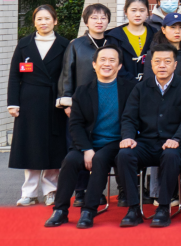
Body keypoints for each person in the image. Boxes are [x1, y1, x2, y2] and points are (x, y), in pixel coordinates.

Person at [45, 45, 137, 227]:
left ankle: (88, 210)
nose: (107, 64)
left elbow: (133, 119)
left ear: (119, 66)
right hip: (88, 143)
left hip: (115, 143)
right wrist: (87, 149)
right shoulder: (82, 91)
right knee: (70, 160)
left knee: (100, 159)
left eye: (112, 60)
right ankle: (60, 210)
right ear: (94, 64)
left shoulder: (131, 89)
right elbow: (75, 124)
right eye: (102, 60)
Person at [116, 44, 181, 228]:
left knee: (171, 156)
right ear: (151, 64)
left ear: (175, 65)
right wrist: (128, 137)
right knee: (124, 154)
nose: (162, 65)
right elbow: (129, 118)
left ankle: (163, 207)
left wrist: (176, 139)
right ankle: (133, 208)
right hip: (146, 143)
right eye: (158, 61)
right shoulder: (140, 88)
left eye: (167, 61)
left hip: (173, 143)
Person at [8, 5, 70, 205]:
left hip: (55, 102)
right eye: (39, 19)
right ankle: (29, 192)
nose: (43, 22)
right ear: (34, 22)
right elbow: (14, 75)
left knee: (53, 146)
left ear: (55, 21)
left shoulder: (64, 44)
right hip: (29, 102)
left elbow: (68, 75)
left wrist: (67, 100)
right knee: (31, 145)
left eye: (47, 18)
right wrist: (13, 103)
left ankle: (51, 190)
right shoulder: (24, 44)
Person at [57, 3, 112, 113]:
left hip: (109, 99)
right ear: (86, 22)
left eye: (103, 18)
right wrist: (67, 103)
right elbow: (67, 74)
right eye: (94, 18)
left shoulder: (112, 44)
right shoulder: (76, 44)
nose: (99, 21)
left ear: (108, 21)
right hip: (82, 101)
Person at [104, 0, 158, 81]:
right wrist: (131, 82)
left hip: (150, 84)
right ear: (126, 12)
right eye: (133, 10)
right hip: (122, 84)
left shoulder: (155, 33)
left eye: (142, 10)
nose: (138, 14)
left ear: (147, 12)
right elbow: (112, 63)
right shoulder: (114, 36)